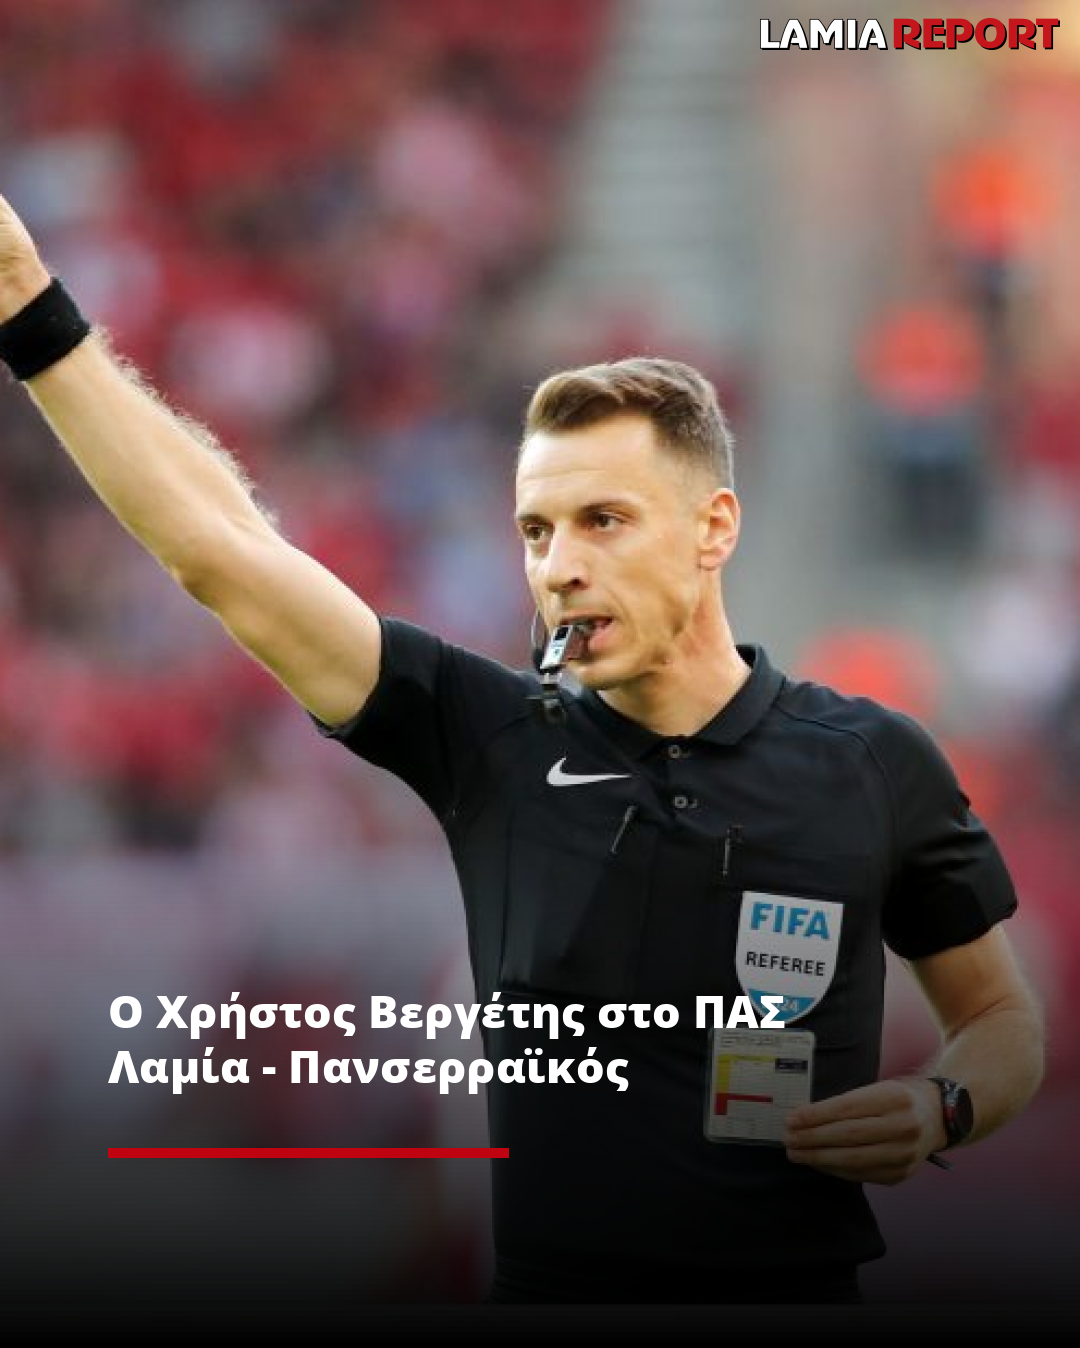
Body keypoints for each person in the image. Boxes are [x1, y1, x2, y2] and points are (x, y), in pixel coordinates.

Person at [0, 195, 1044, 1304]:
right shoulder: (488, 742)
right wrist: (27, 304)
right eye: (536, 532)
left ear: (714, 529)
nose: (559, 567)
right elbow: (225, 554)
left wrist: (943, 1105)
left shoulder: (873, 760)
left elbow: (999, 1021)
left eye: (604, 521)